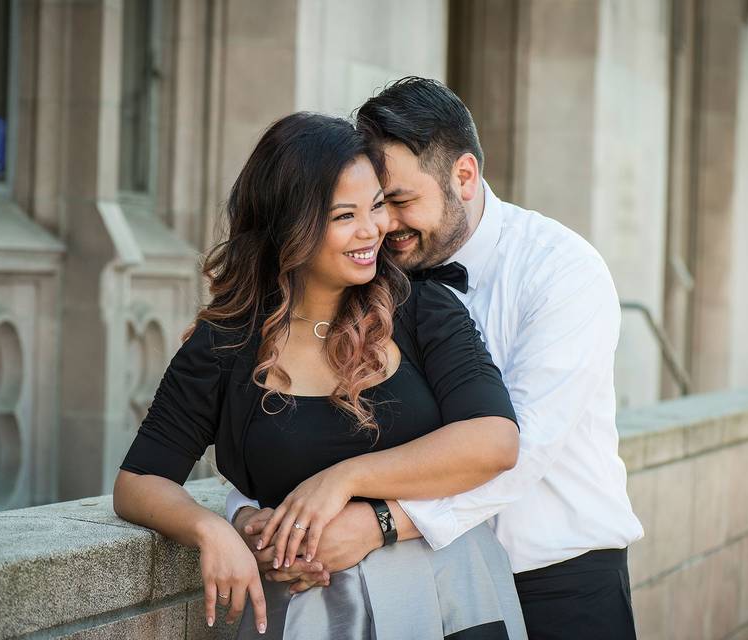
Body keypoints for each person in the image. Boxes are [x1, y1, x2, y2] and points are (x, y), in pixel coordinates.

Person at [228, 78, 645, 639]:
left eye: (399, 201)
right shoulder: (365, 278)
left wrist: (379, 522)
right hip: (425, 588)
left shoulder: (562, 270)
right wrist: (247, 510)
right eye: (376, 203)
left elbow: (523, 447)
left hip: (558, 584)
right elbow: (288, 415)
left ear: (464, 177)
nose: (385, 226)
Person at [113, 112, 527, 639]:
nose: (372, 230)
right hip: (308, 618)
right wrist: (212, 529)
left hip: (447, 602)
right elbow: (139, 480)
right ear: (291, 228)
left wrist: (343, 481)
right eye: (344, 216)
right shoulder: (224, 343)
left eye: (376, 206)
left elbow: (494, 441)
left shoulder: (423, 308)